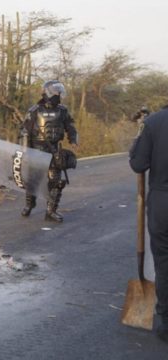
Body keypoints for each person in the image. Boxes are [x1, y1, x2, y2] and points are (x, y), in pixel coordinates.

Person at [129, 104, 168, 342]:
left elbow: (138, 165)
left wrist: (138, 138)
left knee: (164, 262)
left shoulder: (154, 122)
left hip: (163, 202)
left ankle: (165, 320)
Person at [19, 80, 78, 222]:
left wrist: (73, 139)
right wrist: (25, 152)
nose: (59, 95)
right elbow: (24, 132)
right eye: (57, 92)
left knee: (56, 181)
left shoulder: (62, 110)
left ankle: (51, 211)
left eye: (59, 92)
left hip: (54, 150)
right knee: (33, 180)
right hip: (37, 149)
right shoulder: (34, 111)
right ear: (49, 92)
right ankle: (29, 204)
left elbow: (70, 126)